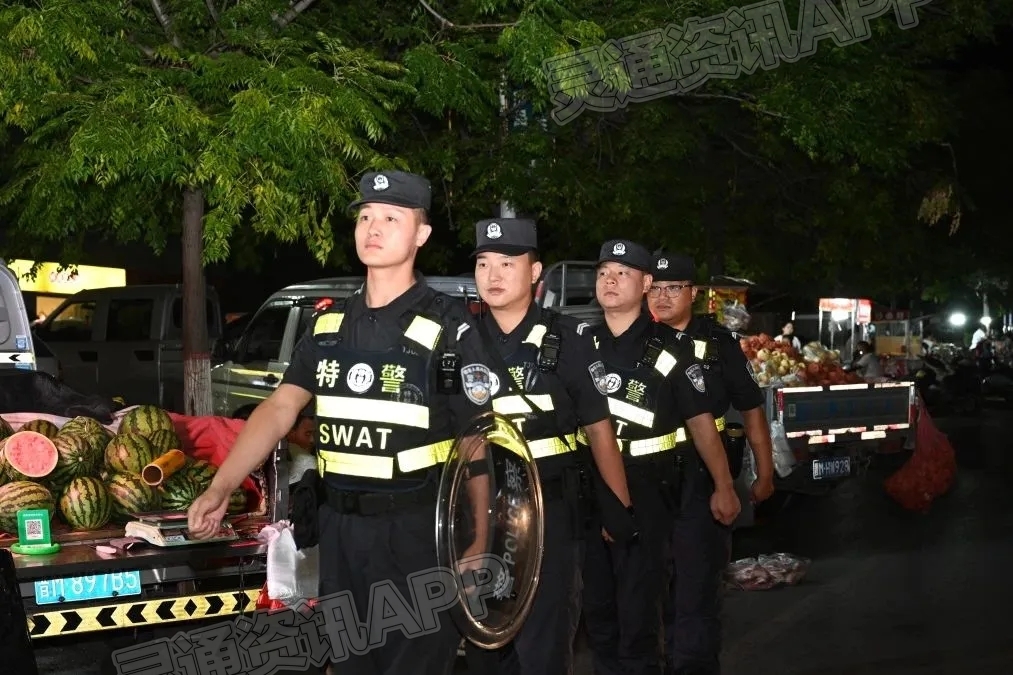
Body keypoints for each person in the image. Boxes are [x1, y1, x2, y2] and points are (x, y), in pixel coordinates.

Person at [187, 170, 498, 675]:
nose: (373, 227)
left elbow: (475, 440)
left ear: (421, 235)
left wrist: (480, 540)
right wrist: (223, 485)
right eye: (366, 216)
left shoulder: (452, 326)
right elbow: (278, 409)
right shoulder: (328, 324)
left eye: (392, 218)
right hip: (342, 531)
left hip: (420, 533)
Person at [468, 218, 632, 675]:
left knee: (544, 644)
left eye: (506, 263)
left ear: (535, 272)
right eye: (483, 264)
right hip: (479, 512)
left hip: (550, 515)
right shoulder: (460, 340)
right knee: (484, 643)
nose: (493, 275)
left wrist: (618, 508)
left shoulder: (568, 340)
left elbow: (600, 429)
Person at [581, 239, 740, 675]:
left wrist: (724, 486)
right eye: (603, 274)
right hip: (587, 488)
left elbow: (701, 422)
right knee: (598, 612)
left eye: (623, 274)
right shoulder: (580, 345)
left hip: (648, 488)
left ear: (646, 283)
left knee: (638, 612)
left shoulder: (669, 350)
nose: (610, 282)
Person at [646, 252, 775, 675]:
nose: (663, 297)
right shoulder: (635, 339)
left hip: (704, 478)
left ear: (694, 294)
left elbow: (752, 408)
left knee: (697, 590)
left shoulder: (718, 343)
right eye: (656, 288)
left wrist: (765, 470)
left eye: (674, 288)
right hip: (651, 479)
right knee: (650, 590)